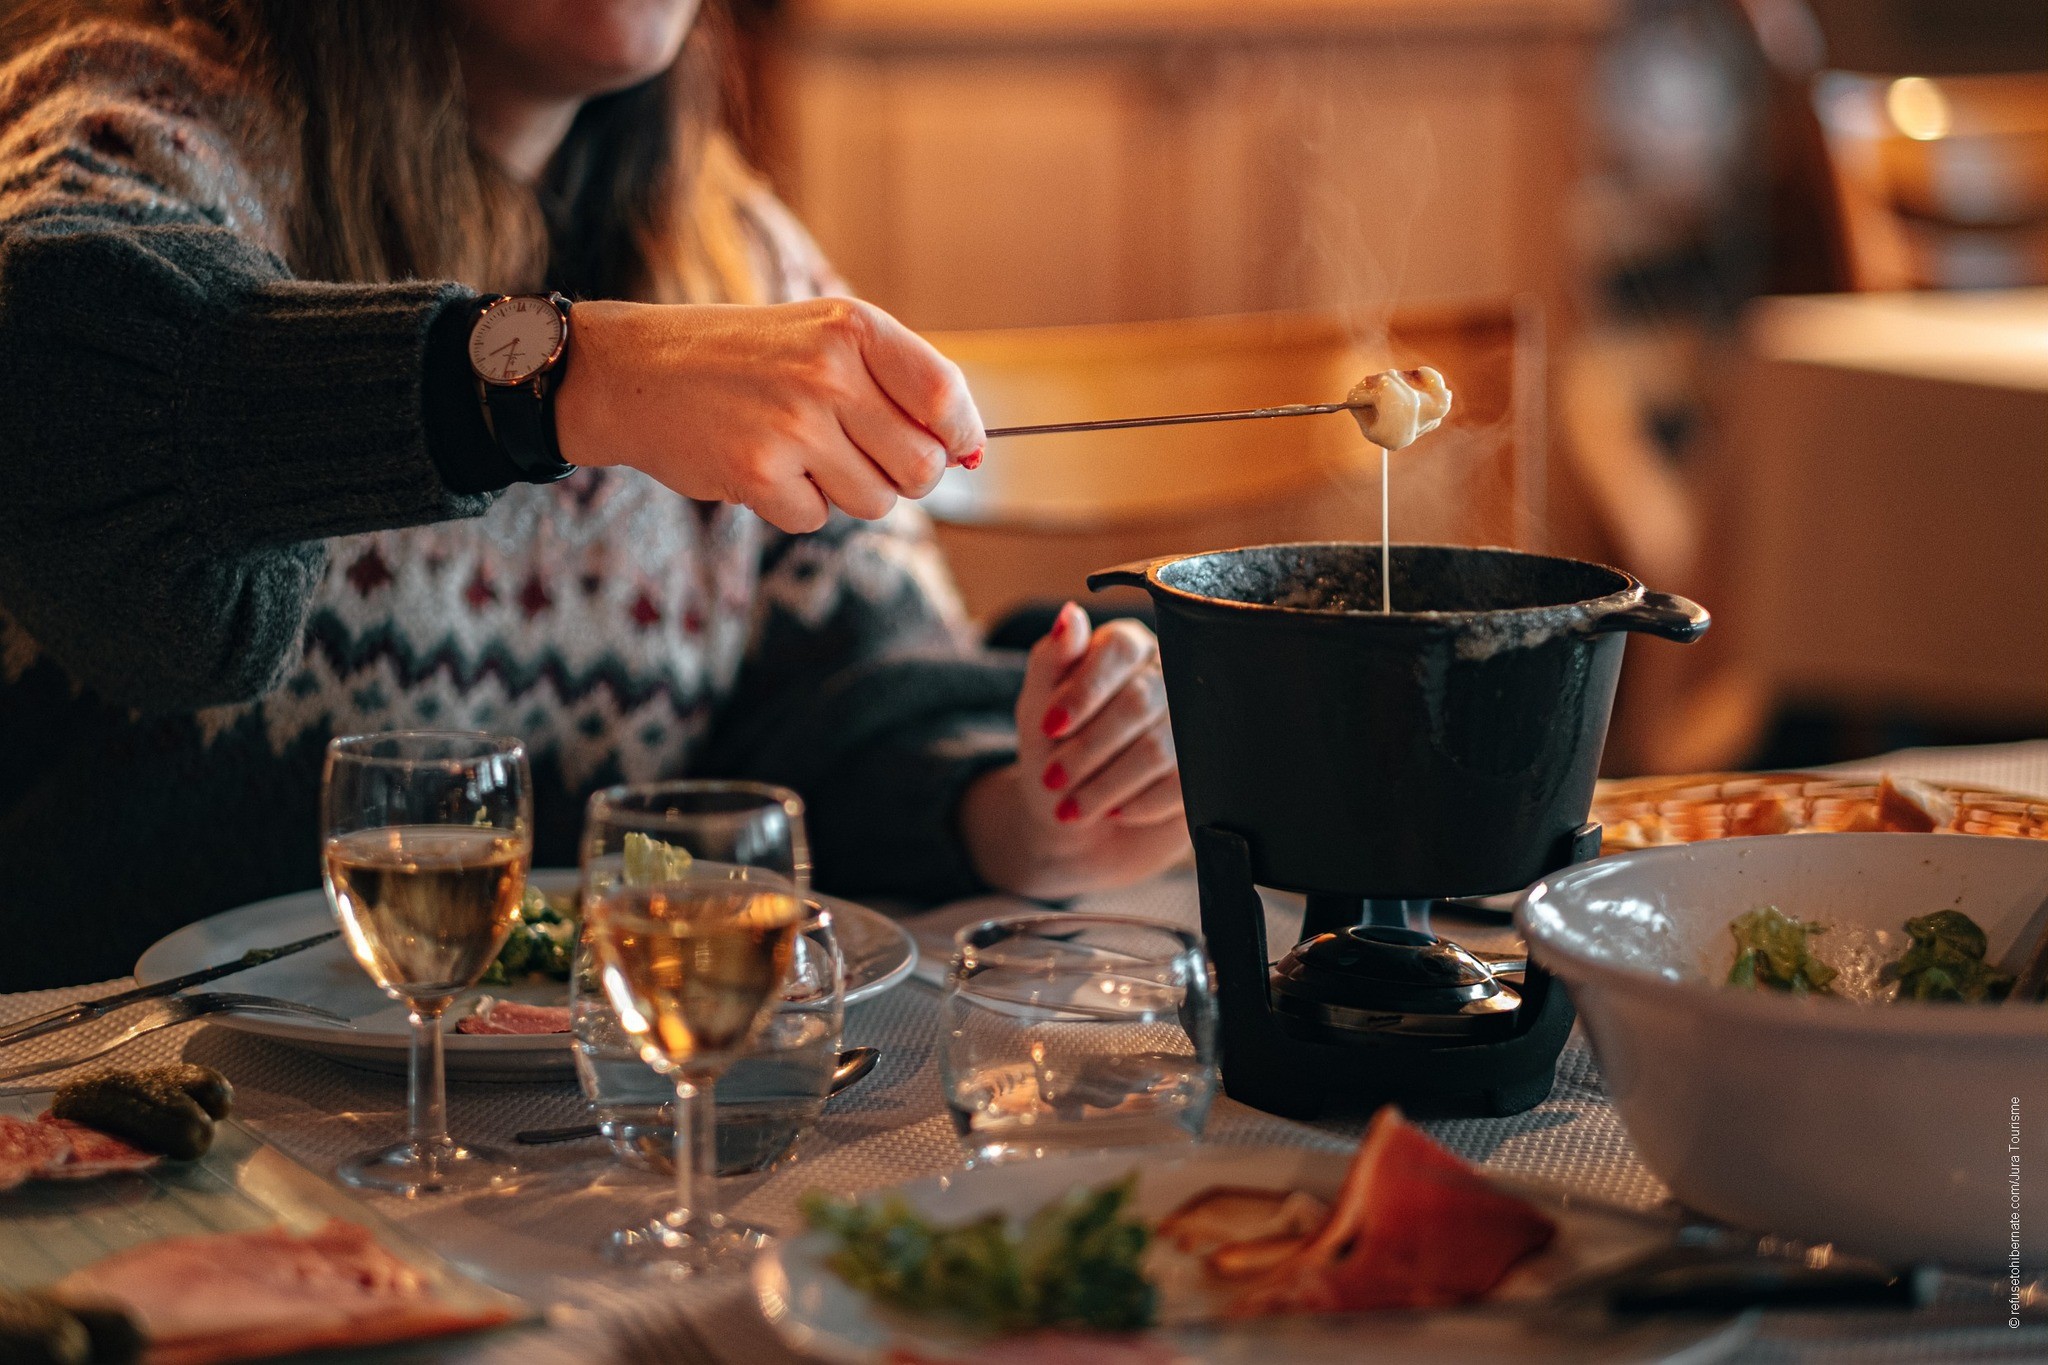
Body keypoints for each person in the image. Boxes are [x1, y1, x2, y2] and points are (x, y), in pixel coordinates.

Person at [0, 0, 1188, 990]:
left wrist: (1029, 812)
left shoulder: (731, 250)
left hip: (561, 1132)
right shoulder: (136, 122)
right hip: (105, 1114)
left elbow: (839, 720)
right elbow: (67, 409)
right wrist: (567, 376)